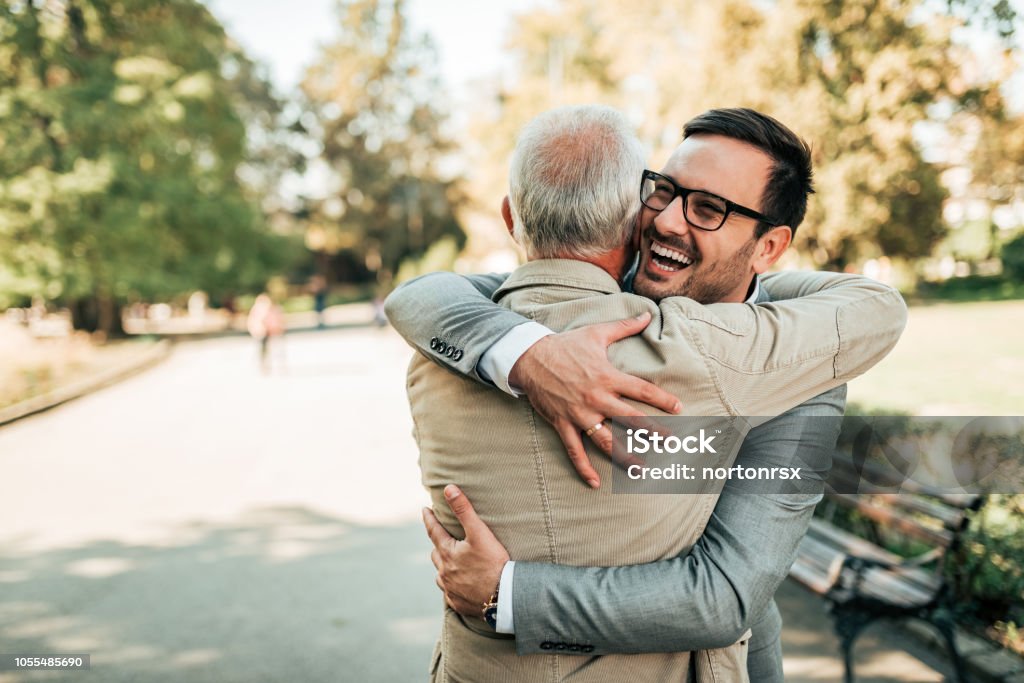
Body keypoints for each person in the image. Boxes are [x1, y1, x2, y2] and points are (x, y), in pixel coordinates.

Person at [394, 105, 906, 682]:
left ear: (767, 247)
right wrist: (527, 355)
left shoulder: (796, 375)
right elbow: (426, 295)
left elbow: (725, 597)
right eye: (663, 192)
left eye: (708, 210)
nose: (664, 221)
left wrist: (507, 594)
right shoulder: (542, 322)